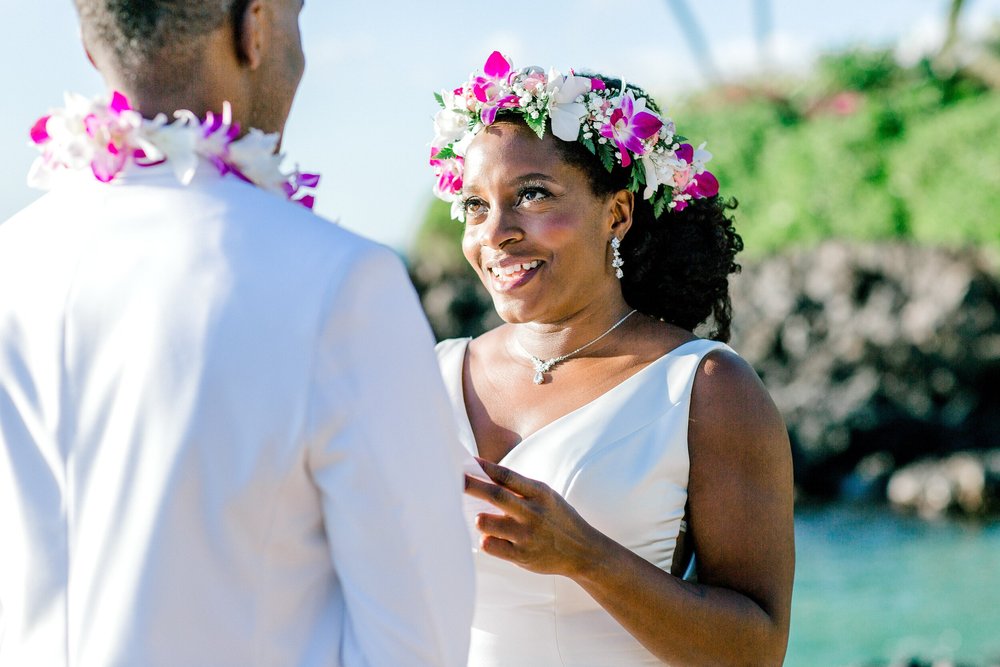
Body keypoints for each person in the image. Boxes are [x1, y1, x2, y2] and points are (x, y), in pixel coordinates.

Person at [0, 2, 473, 666]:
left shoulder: (12, 260)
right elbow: (415, 641)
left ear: (88, 44)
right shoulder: (342, 283)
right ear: (254, 29)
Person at [428, 51, 795, 666]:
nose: (495, 232)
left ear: (617, 213)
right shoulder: (431, 376)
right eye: (475, 205)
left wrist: (586, 557)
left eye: (533, 195)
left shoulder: (702, 386)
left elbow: (756, 653)